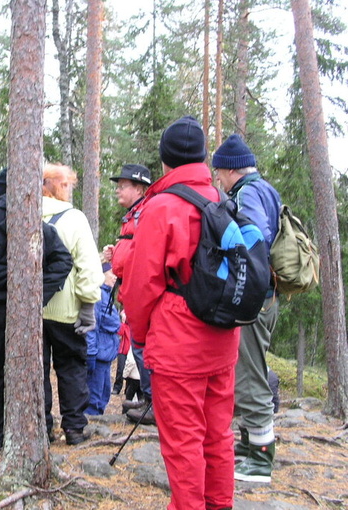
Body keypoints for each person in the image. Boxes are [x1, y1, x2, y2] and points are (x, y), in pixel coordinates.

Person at [121, 116, 239, 509]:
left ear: (165, 160)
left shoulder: (162, 207)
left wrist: (140, 336)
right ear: (203, 157)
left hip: (178, 344)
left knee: (184, 441)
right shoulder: (221, 199)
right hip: (223, 337)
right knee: (217, 436)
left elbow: (141, 285)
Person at [0, 167, 73, 452]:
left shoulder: (31, 227)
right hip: (6, 313)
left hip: (12, 313)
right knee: (29, 371)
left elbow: (62, 261)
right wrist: (18, 278)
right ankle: (28, 433)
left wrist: (36, 291)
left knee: (2, 372)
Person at [213, 133, 282, 483]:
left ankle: (261, 458)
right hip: (268, 296)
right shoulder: (267, 189)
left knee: (250, 375)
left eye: (219, 173)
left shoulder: (247, 193)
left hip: (254, 298)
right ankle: (248, 441)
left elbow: (256, 237)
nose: (218, 180)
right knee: (252, 368)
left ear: (230, 170)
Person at [42, 162, 104, 445]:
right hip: (66, 311)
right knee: (71, 368)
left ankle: (41, 427)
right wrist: (88, 305)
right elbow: (88, 266)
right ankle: (75, 429)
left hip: (30, 310)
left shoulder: (22, 211)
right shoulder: (75, 218)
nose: (69, 189)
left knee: (36, 371)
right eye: (66, 184)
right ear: (56, 186)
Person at [102, 163, 155, 425]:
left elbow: (147, 252)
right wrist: (117, 254)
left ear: (139, 188)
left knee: (145, 349)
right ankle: (147, 399)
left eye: (123, 186)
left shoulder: (146, 212)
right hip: (132, 292)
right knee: (139, 347)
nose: (118, 190)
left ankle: (153, 402)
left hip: (142, 293)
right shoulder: (133, 214)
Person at [84, 263, 121, 415]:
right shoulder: (97, 296)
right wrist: (91, 354)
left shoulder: (108, 295)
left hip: (107, 355)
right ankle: (90, 421)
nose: (115, 277)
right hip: (98, 355)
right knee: (94, 398)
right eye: (111, 273)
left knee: (104, 395)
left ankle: (97, 419)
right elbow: (91, 326)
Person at [112, 313, 131, 395]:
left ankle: (128, 390)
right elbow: (119, 332)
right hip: (123, 351)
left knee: (130, 372)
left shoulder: (135, 328)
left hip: (131, 352)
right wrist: (123, 322)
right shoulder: (124, 326)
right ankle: (117, 388)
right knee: (120, 370)